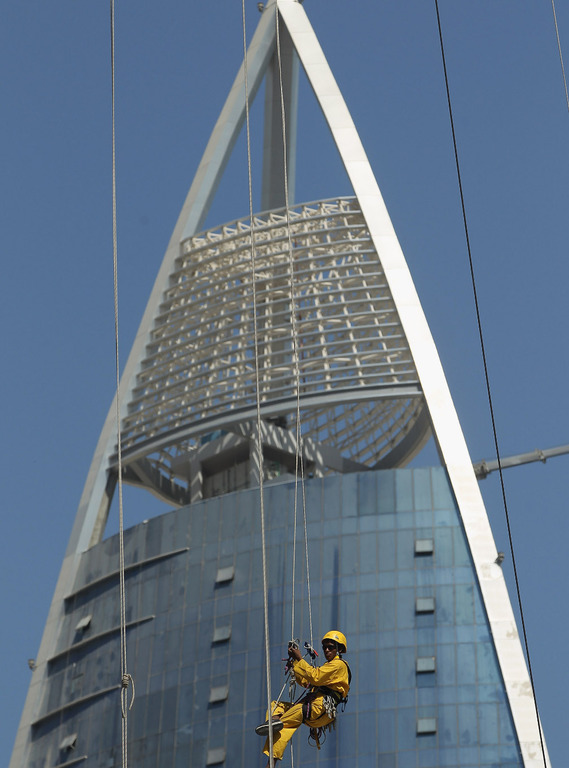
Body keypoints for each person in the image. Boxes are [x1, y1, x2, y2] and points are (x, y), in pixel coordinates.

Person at [256, 630, 351, 766]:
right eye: (325, 647)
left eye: (331, 647)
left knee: (284, 722)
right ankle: (273, 724)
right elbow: (308, 683)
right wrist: (294, 664)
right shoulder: (328, 667)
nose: (327, 650)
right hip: (313, 708)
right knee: (276, 707)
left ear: (339, 649)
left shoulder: (339, 665)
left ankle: (274, 734)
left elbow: (315, 677)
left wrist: (300, 659)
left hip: (318, 709)